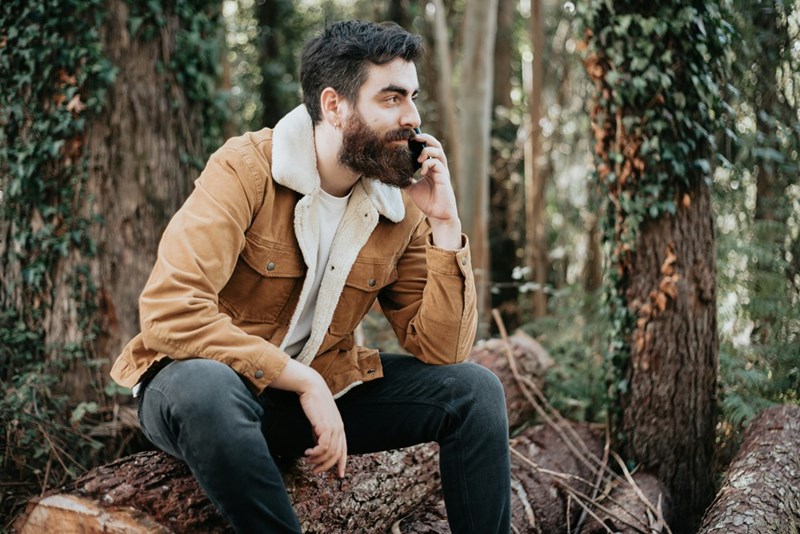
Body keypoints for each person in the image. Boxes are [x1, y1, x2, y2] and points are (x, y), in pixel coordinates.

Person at [110, 20, 511, 534]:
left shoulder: (399, 205)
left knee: (474, 391)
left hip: (301, 400)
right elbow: (170, 311)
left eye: (413, 97)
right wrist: (302, 379)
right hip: (202, 393)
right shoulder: (245, 169)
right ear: (333, 106)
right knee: (209, 386)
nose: (412, 117)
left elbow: (443, 350)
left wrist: (445, 225)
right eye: (391, 98)